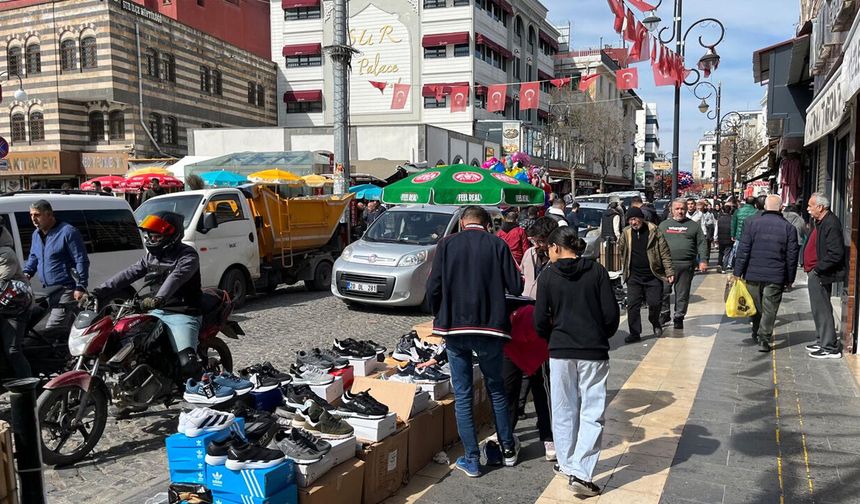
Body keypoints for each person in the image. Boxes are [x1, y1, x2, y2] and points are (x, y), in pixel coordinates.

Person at [426, 206, 524, 477]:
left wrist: (440, 314)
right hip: (491, 329)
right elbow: (516, 287)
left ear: (462, 223)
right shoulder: (498, 245)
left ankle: (471, 458)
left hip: (456, 329)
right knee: (496, 389)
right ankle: (506, 449)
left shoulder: (446, 245)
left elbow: (433, 286)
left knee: (464, 394)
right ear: (487, 224)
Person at [533, 226, 619, 497]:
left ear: (556, 248)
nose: (547, 252)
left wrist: (553, 337)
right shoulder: (597, 271)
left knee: (563, 408)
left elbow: (539, 321)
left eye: (548, 248)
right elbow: (610, 314)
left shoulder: (547, 276)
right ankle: (581, 471)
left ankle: (568, 463)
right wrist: (598, 335)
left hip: (560, 350)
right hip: (593, 349)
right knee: (592, 411)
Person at [91, 211, 204, 378]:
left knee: (186, 363)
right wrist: (99, 291)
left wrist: (159, 298)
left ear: (171, 236)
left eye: (156, 237)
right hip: (156, 310)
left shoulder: (187, 255)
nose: (151, 241)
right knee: (122, 338)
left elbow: (176, 278)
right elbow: (128, 274)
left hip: (183, 312)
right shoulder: (152, 256)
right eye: (149, 237)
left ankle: (201, 385)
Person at [732, 195, 799, 353]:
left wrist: (737, 272)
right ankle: (764, 339)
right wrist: (790, 279)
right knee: (770, 308)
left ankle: (756, 331)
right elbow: (792, 256)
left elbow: (743, 250)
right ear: (781, 208)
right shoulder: (788, 228)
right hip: (776, 275)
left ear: (764, 207)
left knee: (755, 305)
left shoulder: (751, 223)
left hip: (752, 273)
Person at [23, 200, 90, 329]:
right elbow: (34, 256)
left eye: (37, 215)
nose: (33, 219)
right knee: (65, 329)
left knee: (52, 328)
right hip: (47, 290)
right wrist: (27, 272)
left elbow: (81, 259)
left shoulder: (68, 232)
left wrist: (80, 286)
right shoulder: (36, 234)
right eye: (31, 215)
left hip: (66, 288)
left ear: (49, 214)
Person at [618, 207, 674, 343]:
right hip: (634, 276)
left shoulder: (654, 230)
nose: (633, 222)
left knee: (655, 303)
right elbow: (621, 251)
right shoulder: (626, 233)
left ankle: (655, 322)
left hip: (652, 275)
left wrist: (669, 272)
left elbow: (664, 252)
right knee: (632, 305)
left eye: (635, 219)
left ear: (641, 218)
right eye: (630, 220)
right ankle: (635, 333)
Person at [803, 193, 846, 359]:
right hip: (817, 271)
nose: (808, 209)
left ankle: (829, 347)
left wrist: (818, 269)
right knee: (818, 308)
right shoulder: (820, 222)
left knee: (822, 309)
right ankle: (822, 340)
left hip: (821, 272)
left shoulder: (830, 223)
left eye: (810, 205)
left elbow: (836, 253)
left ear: (820, 207)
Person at [659, 198, 708, 329]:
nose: (680, 211)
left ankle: (678, 316)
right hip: (666, 266)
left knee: (682, 293)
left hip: (686, 265)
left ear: (686, 210)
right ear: (671, 210)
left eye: (682, 209)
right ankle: (664, 313)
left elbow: (702, 244)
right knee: (663, 291)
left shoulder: (694, 226)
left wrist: (703, 260)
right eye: (677, 209)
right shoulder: (663, 225)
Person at [0, 223, 33, 378]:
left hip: (15, 307)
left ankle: (28, 387)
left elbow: (1, 283)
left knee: (12, 350)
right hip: (2, 306)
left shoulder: (5, 255)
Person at [522, 217, 560, 298]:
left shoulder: (559, 260)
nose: (536, 245)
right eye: (533, 241)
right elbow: (521, 275)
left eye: (541, 241)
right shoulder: (529, 252)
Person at [715, 206, 734, 273]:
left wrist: (715, 238)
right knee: (727, 254)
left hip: (721, 239)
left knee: (720, 252)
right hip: (729, 239)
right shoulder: (732, 219)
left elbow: (716, 229)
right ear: (730, 211)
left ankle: (719, 264)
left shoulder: (719, 219)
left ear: (722, 211)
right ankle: (724, 268)